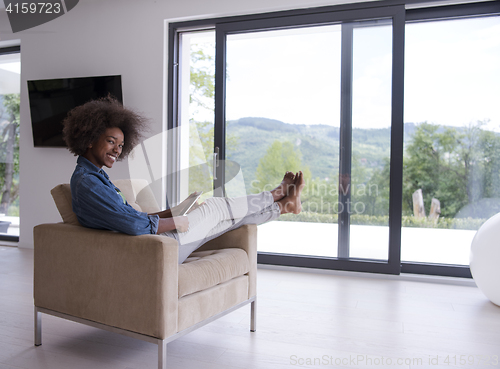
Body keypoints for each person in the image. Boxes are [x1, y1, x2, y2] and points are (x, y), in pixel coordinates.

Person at [62, 96, 304, 263]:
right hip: (153, 247)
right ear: (90, 138)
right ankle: (274, 195)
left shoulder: (98, 178)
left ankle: (282, 206)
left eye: (121, 145)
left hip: (154, 240)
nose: (117, 150)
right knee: (216, 206)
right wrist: (177, 222)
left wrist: (171, 212)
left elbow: (131, 218)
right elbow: (133, 226)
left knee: (225, 220)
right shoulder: (87, 183)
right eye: (111, 141)